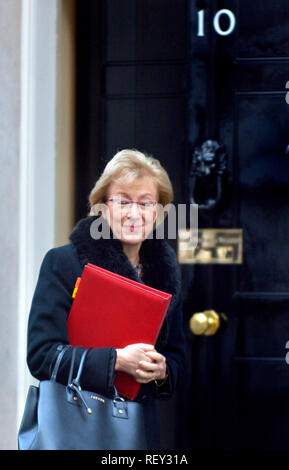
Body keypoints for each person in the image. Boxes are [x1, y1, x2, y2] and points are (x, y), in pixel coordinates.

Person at [27, 148, 186, 449]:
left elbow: (178, 361)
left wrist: (162, 370)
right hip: (71, 428)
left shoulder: (164, 276)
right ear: (103, 207)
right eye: (123, 201)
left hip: (137, 432)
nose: (134, 213)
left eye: (145, 203)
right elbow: (41, 355)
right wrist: (116, 361)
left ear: (159, 211)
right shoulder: (63, 263)